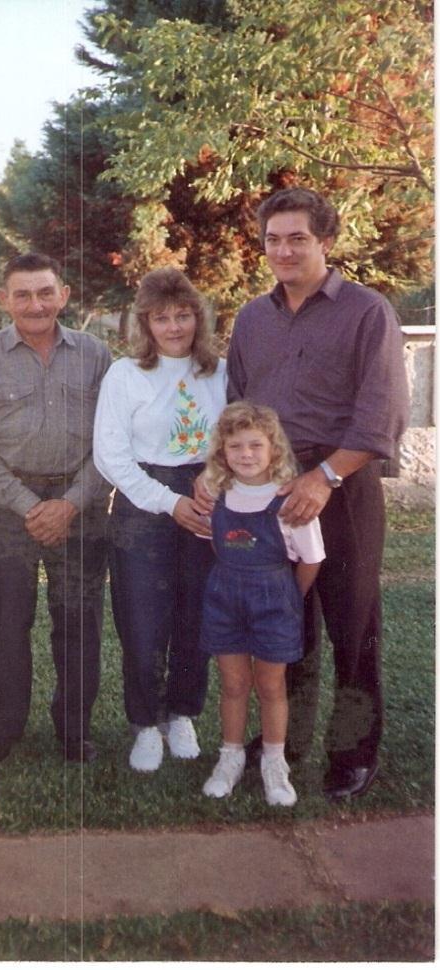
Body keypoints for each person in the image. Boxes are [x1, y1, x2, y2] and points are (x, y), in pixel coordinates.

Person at [197, 187, 410, 799]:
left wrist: (324, 477)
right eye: (273, 239)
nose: (283, 250)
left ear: (325, 241)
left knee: (352, 625)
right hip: (266, 493)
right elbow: (238, 408)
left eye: (297, 238)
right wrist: (226, 474)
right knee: (283, 617)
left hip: (341, 488)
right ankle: (281, 747)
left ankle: (351, 755)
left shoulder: (368, 312)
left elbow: (381, 418)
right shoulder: (254, 318)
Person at [0, 252, 111, 764]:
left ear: (63, 295)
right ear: (3, 301)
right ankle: (2, 731)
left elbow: (111, 444)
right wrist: (29, 506)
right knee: (5, 622)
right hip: (8, 510)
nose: (35, 303)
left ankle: (75, 730)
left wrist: (68, 503)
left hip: (81, 506)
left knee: (79, 620)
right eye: (21, 294)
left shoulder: (96, 355)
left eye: (45, 292)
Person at [93, 268, 226, 772]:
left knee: (196, 615)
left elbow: (235, 434)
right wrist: (169, 502)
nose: (174, 328)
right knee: (143, 621)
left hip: (207, 496)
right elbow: (111, 456)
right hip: (144, 503)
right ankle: (146, 724)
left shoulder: (220, 371)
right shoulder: (126, 375)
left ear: (198, 317)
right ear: (144, 323)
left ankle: (183, 713)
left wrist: (213, 478)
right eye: (162, 318)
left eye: (184, 315)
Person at [200, 402, 325, 806]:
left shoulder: (289, 499)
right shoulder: (219, 495)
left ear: (274, 449)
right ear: (222, 453)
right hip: (225, 600)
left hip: (274, 602)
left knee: (271, 685)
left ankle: (275, 762)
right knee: (234, 683)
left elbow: (312, 558)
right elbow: (212, 541)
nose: (246, 455)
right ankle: (230, 757)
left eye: (256, 445)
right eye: (235, 447)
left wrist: (289, 598)